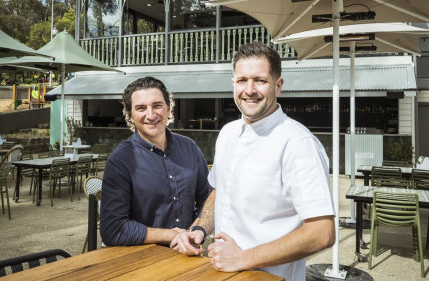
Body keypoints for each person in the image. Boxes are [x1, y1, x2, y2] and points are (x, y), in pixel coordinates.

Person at [172, 42, 335, 281]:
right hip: (221, 273)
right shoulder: (227, 132)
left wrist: (242, 258)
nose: (250, 89)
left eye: (260, 80)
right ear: (233, 84)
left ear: (278, 85)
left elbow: (322, 232)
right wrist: (199, 229)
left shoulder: (298, 143)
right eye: (242, 80)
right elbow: (221, 191)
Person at [100, 76, 212, 246]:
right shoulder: (120, 161)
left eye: (157, 105)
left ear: (168, 108)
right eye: (141, 108)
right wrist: (172, 235)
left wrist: (198, 230)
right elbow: (113, 229)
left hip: (189, 255)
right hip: (142, 261)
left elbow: (208, 197)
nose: (150, 115)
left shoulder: (190, 148)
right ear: (130, 114)